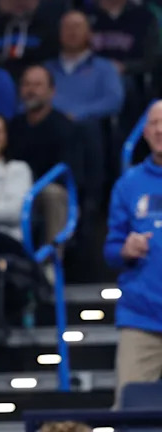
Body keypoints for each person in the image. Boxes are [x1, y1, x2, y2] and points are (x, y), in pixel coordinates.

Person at [105, 100, 162, 404]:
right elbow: (111, 250)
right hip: (142, 319)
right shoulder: (129, 185)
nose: (160, 129)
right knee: (128, 412)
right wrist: (125, 249)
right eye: (153, 123)